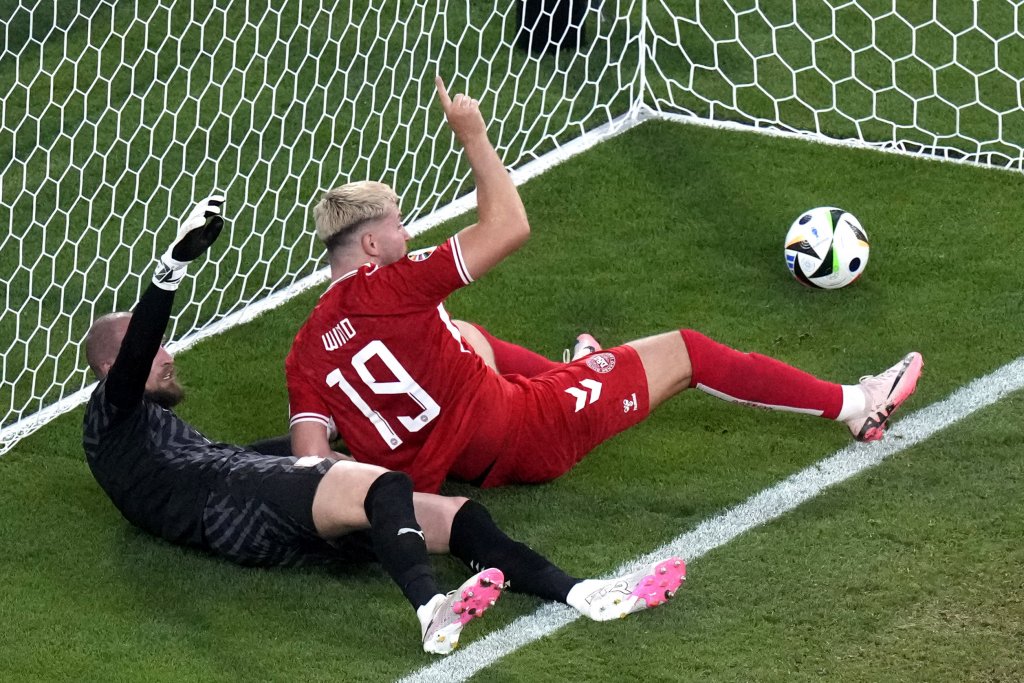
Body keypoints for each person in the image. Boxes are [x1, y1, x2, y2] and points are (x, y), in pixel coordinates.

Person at [82, 196, 685, 655]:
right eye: (153, 351)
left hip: (249, 513)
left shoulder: (148, 442)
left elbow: (250, 458)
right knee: (382, 483)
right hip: (235, 503)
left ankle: (582, 592)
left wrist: (328, 439)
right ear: (113, 368)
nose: (168, 355)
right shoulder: (110, 412)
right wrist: (173, 265)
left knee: (455, 516)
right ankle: (430, 608)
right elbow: (146, 369)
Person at [284, 75, 924, 495]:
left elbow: (309, 461)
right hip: (528, 433)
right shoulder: (396, 284)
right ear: (372, 245)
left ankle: (579, 369)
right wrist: (474, 137)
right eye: (398, 225)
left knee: (464, 332)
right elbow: (509, 226)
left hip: (455, 460)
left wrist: (375, 476)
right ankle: (857, 405)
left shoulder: (307, 346)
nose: (407, 232)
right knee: (688, 350)